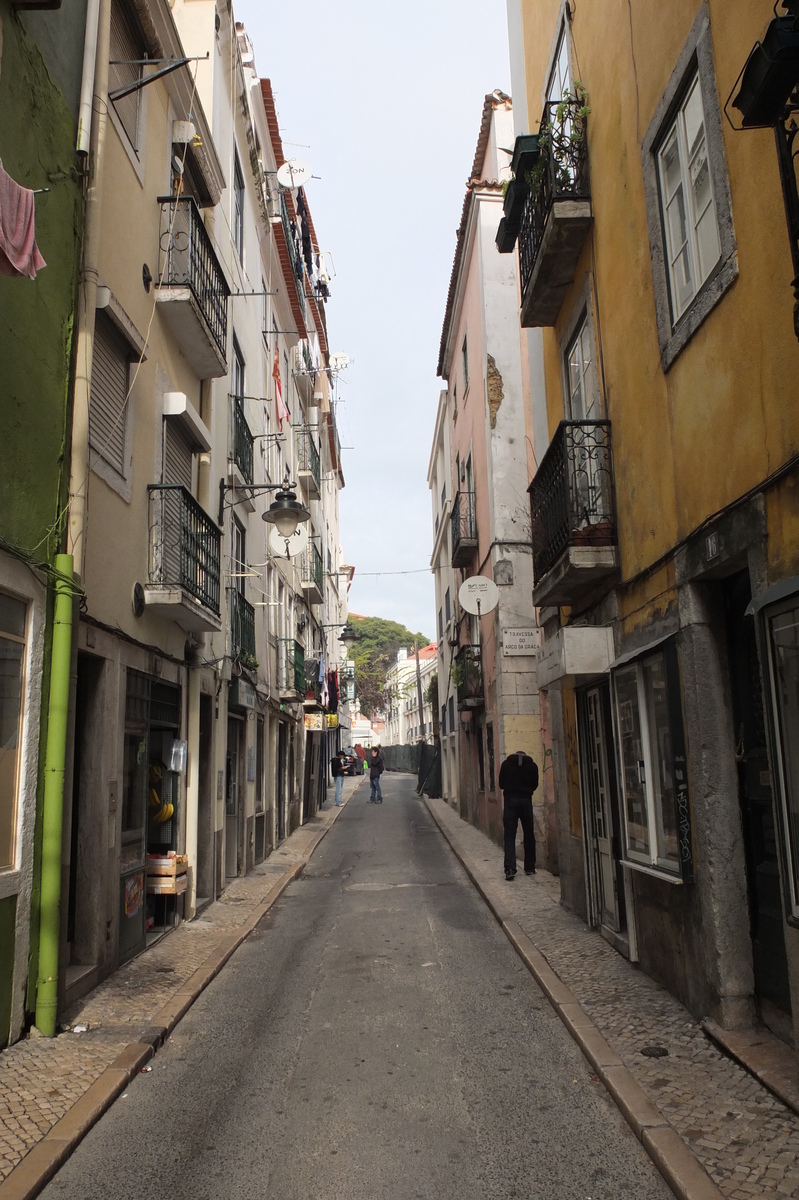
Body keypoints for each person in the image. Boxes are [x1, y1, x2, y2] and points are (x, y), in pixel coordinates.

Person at [498, 748, 539, 880]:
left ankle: (510, 868)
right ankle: (530, 867)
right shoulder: (533, 766)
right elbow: (535, 784)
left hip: (510, 801)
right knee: (529, 833)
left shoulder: (506, 764)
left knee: (509, 835)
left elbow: (501, 784)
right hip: (526, 801)